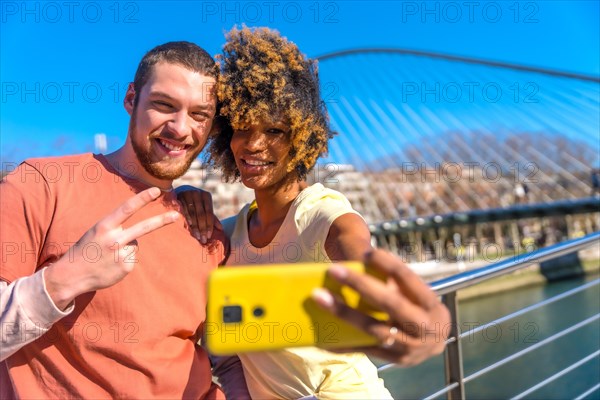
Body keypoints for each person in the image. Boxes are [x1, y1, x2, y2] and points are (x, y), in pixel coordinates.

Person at [178, 26, 450, 399]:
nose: (253, 143)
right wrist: (184, 193)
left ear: (302, 138)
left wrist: (412, 315)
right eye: (242, 128)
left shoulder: (320, 213)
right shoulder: (231, 233)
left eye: (274, 129)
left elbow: (353, 245)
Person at [0, 41, 246, 398]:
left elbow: (225, 357)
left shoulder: (207, 229)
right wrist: (62, 281)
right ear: (132, 99)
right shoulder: (40, 185)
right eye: (164, 105)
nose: (180, 128)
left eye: (199, 115)